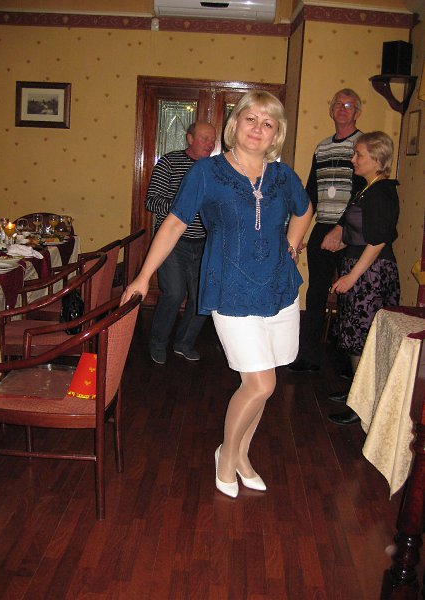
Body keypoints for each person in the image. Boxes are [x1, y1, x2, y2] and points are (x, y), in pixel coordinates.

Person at [125, 90, 313, 498]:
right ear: (235, 123)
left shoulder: (283, 176)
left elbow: (304, 210)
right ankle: (226, 456)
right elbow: (174, 223)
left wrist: (292, 247)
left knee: (264, 381)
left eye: (268, 123)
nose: (258, 128)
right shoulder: (207, 172)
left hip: (278, 289)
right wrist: (143, 276)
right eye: (251, 118)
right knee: (261, 384)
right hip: (230, 287)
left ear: (276, 134)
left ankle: (243, 454)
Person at [322, 132, 400, 424]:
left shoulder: (381, 192)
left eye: (359, 155)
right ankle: (357, 391)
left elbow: (378, 240)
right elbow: (362, 231)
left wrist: (353, 277)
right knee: (355, 334)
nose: (353, 159)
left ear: (377, 159)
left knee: (362, 338)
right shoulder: (369, 189)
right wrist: (342, 242)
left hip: (372, 274)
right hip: (362, 268)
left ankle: (362, 406)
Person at [288, 89, 365, 373]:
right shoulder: (321, 148)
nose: (342, 109)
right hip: (323, 227)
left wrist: (343, 229)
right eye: (337, 104)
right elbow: (311, 193)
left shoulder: (363, 145)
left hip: (352, 231)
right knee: (316, 293)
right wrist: (299, 233)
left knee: (350, 296)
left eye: (348, 105)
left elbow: (362, 195)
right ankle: (308, 357)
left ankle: (349, 363)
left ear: (357, 112)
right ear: (331, 110)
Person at [145, 121, 216, 365]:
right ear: (189, 138)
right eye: (204, 138)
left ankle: (184, 343)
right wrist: (183, 207)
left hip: (204, 244)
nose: (210, 144)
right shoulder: (169, 162)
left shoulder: (215, 169)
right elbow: (151, 201)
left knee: (202, 298)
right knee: (174, 294)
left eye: (212, 139)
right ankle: (157, 343)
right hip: (173, 244)